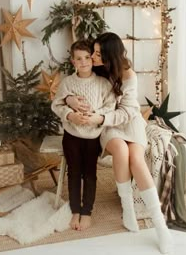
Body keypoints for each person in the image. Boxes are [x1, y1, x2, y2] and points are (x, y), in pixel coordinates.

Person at [65, 32, 172, 253]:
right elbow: (73, 84)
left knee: (136, 158)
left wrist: (101, 118)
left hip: (128, 121)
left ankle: (160, 226)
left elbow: (129, 111)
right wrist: (70, 100)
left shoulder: (128, 75)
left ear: (110, 55)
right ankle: (128, 209)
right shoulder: (94, 69)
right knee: (121, 151)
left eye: (96, 53)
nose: (92, 57)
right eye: (92, 52)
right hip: (108, 125)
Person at [51, 40, 115, 231]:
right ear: (73, 62)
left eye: (87, 57)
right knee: (74, 172)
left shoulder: (102, 83)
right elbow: (57, 104)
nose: (84, 62)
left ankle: (86, 211)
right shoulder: (68, 83)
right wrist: (70, 115)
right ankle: (75, 210)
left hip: (93, 136)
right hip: (72, 135)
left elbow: (110, 105)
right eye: (79, 59)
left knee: (89, 174)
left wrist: (94, 115)